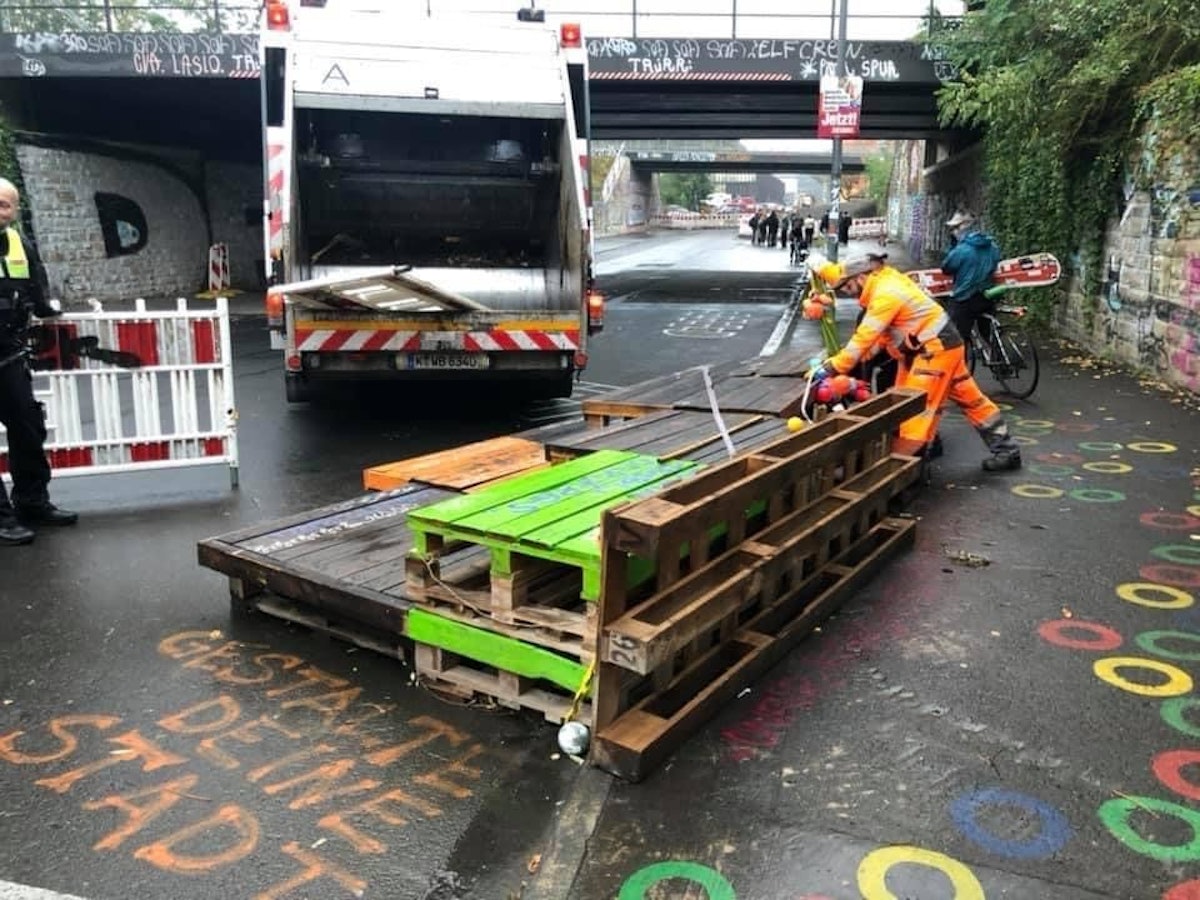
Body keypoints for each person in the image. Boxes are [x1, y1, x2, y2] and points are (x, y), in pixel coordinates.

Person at [806, 249, 1021, 472]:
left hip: (931, 352)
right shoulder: (886, 283)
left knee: (913, 409)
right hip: (940, 347)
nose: (850, 294)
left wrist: (832, 367)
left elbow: (865, 337)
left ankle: (906, 469)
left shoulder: (885, 295)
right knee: (972, 400)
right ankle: (1006, 450)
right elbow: (884, 335)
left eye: (849, 287)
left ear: (861, 277)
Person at [0, 177, 78, 546]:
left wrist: (49, 310)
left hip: (9, 354)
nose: (1, 210)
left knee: (28, 430)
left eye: (6, 205)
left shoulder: (19, 243)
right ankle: (2, 518)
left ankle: (32, 502)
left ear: (15, 210)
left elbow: (36, 288)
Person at [940, 211, 1002, 343]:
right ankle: (998, 356)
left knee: (956, 337)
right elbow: (997, 261)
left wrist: (954, 245)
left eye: (955, 228)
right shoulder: (992, 246)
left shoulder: (961, 249)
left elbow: (946, 268)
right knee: (988, 332)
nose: (953, 231)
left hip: (966, 297)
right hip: (987, 295)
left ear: (963, 227)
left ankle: (960, 361)